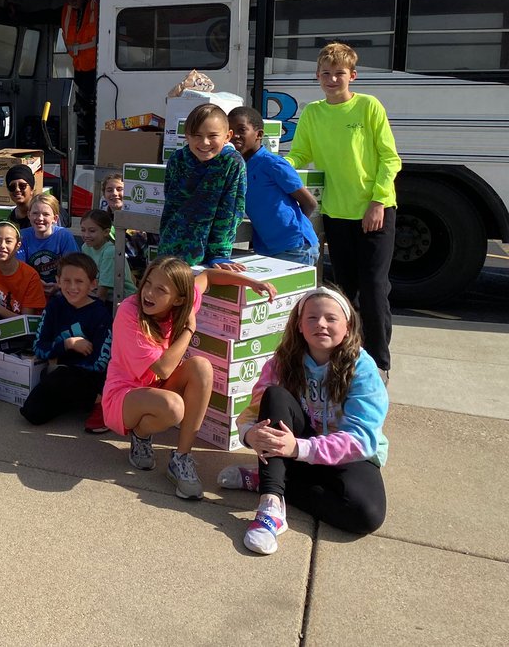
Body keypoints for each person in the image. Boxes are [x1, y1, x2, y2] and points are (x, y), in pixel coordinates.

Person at [221, 287, 388, 555]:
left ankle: (269, 480)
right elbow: (255, 410)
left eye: (331, 318)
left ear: (347, 327)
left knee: (366, 515)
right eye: (311, 318)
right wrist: (249, 434)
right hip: (295, 440)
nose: (320, 324)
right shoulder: (282, 362)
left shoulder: (363, 369)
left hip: (344, 453)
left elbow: (362, 439)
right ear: (299, 325)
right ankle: (270, 505)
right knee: (275, 395)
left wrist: (298, 449)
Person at [100, 256, 276, 500]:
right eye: (147, 283)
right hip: (124, 396)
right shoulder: (130, 312)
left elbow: (208, 277)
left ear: (179, 298)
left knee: (202, 367)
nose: (148, 293)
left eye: (160, 289)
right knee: (173, 407)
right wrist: (189, 329)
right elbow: (162, 368)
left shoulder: (185, 302)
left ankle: (181, 458)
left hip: (158, 387)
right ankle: (140, 434)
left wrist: (250, 282)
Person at [285, 42, 401, 379]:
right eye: (326, 74)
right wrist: (274, 167)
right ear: (317, 76)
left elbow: (389, 158)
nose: (332, 79)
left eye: (339, 74)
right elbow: (299, 155)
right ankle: (348, 353)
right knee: (345, 290)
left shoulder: (368, 106)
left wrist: (378, 201)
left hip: (375, 211)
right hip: (336, 213)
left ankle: (379, 363)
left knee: (375, 287)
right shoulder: (313, 113)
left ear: (353, 75)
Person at [20, 253, 113, 428]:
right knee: (31, 413)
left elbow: (101, 363)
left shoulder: (100, 314)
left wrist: (61, 363)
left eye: (79, 281)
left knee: (59, 376)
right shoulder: (55, 306)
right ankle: (73, 401)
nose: (72, 287)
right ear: (58, 280)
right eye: (67, 280)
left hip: (89, 378)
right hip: (59, 373)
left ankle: (101, 401)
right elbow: (39, 347)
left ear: (93, 284)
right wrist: (68, 344)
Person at [158, 103, 247, 269]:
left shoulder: (231, 162)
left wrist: (219, 254)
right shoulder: (178, 159)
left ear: (227, 136)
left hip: (207, 255)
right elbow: (170, 203)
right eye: (197, 135)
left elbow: (231, 212)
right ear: (187, 136)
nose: (204, 143)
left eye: (212, 136)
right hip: (170, 248)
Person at [227, 106, 320, 266]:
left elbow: (309, 203)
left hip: (294, 248)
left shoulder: (273, 164)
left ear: (259, 135)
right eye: (230, 131)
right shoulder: (237, 166)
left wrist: (290, 231)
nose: (235, 136)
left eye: (242, 130)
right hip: (266, 248)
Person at [19, 193, 80, 296]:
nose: (40, 218)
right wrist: (35, 283)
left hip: (61, 287)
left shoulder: (64, 235)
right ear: (29, 215)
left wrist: (59, 285)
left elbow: (73, 266)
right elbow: (19, 267)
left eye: (46, 214)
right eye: (35, 213)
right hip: (30, 285)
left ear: (55, 218)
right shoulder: (22, 236)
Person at [80, 209, 136, 303]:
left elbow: (102, 295)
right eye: (83, 230)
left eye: (92, 231)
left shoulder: (110, 252)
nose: (86, 235)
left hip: (122, 299)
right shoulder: (85, 247)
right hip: (102, 294)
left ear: (106, 232)